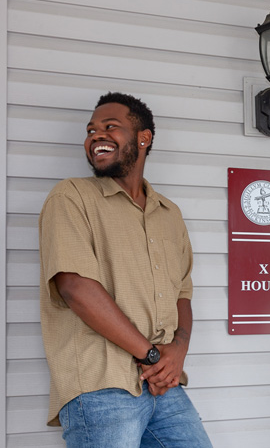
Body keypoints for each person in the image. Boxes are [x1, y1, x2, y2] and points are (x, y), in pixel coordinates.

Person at [39, 92, 212, 447]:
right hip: (100, 387)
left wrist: (177, 352)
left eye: (110, 127)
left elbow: (182, 293)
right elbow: (75, 287)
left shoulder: (169, 213)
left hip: (165, 386)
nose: (96, 136)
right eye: (91, 130)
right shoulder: (70, 197)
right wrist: (151, 356)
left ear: (143, 138)